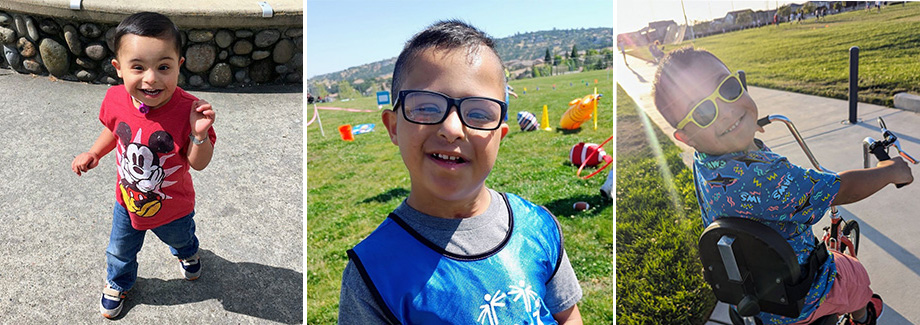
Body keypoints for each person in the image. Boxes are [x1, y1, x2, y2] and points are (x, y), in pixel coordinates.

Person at [337, 20, 583, 324]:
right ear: (393, 127)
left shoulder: (538, 226)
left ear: (500, 136)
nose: (452, 129)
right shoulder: (373, 272)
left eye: (479, 113)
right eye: (425, 106)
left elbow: (567, 315)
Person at [652, 47, 912, 325]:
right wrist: (890, 171)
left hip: (752, 292)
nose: (727, 113)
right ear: (686, 136)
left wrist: (744, 132)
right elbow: (841, 187)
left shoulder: (704, 159)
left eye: (728, 89)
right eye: (703, 113)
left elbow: (727, 139)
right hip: (804, 297)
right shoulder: (768, 178)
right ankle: (862, 316)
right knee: (854, 276)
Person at [71, 12, 217, 319]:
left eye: (164, 67)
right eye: (138, 67)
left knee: (181, 237)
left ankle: (188, 252)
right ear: (119, 69)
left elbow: (198, 163)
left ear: (180, 65)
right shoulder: (115, 99)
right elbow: (114, 129)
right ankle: (118, 282)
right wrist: (95, 153)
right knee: (119, 250)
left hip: (173, 206)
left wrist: (198, 135)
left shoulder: (191, 111)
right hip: (127, 200)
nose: (151, 78)